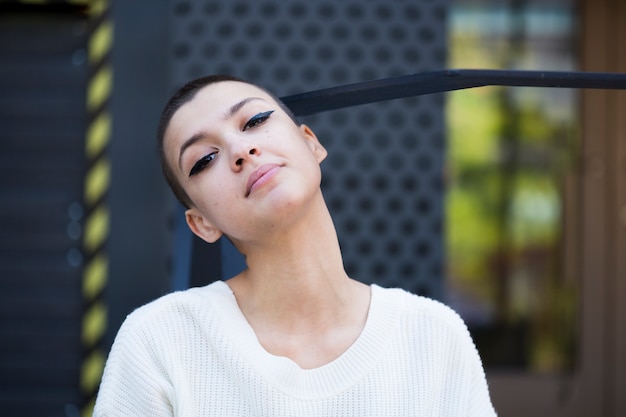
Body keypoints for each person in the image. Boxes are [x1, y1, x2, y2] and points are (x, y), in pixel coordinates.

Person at [93, 75, 497, 416]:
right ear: (202, 224)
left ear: (311, 143)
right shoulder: (159, 343)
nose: (240, 151)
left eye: (254, 120)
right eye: (204, 160)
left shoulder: (433, 336)